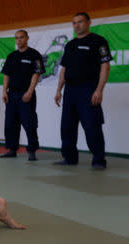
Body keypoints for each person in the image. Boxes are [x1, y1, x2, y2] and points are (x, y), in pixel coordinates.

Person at [54, 12, 112, 169]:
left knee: (92, 125)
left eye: (80, 22)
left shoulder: (98, 41)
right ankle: (69, 158)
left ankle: (99, 160)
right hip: (70, 90)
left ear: (89, 22)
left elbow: (105, 66)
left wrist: (99, 90)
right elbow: (64, 69)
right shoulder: (70, 44)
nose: (77, 25)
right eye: (74, 23)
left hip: (88, 88)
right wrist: (59, 90)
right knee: (67, 126)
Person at [0, 30, 45, 161]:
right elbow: (6, 75)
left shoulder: (34, 55)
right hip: (11, 95)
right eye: (17, 38)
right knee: (10, 124)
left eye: (21, 37)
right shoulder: (11, 56)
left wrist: (30, 92)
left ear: (27, 38)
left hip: (26, 94)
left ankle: (32, 151)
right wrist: (4, 91)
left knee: (29, 123)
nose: (19, 40)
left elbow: (36, 75)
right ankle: (12, 149)